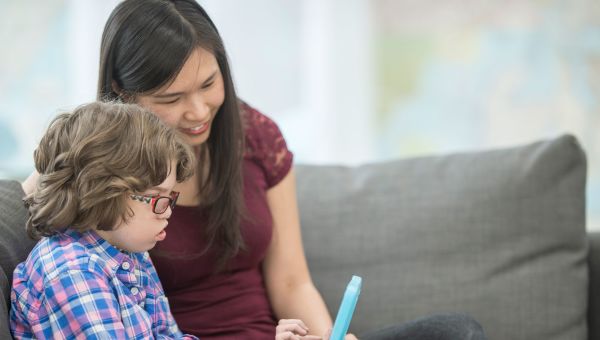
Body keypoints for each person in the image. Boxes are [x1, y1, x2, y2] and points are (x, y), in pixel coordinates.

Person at [22, 1, 487, 339]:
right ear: (123, 96)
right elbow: (43, 192)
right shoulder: (97, 169)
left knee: (455, 331)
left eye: (209, 83)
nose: (199, 110)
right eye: (171, 98)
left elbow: (290, 280)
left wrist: (326, 337)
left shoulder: (256, 136)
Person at [11, 101, 198, 339]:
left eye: (169, 196)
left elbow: (167, 334)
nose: (168, 210)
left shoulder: (130, 252)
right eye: (154, 197)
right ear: (101, 192)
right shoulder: (73, 272)